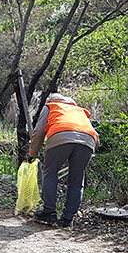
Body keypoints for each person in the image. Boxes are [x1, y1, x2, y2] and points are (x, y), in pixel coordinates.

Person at [29, 93, 99, 227]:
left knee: (50, 173)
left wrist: (33, 153)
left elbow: (38, 131)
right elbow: (95, 134)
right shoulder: (79, 110)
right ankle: (68, 218)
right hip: (88, 141)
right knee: (77, 179)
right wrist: (92, 149)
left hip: (60, 136)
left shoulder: (51, 106)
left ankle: (49, 212)